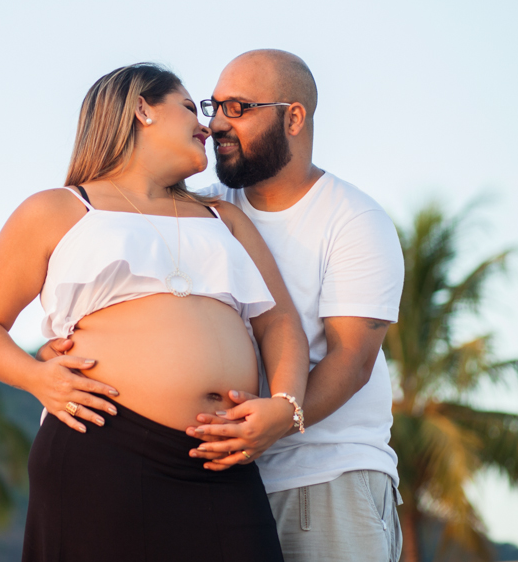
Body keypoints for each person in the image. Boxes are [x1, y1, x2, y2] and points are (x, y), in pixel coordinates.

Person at [47, 51, 406, 561]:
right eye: (213, 107)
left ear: (294, 117)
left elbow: (352, 360)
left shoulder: (353, 219)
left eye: (237, 108)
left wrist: (282, 419)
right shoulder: (205, 209)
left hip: (322, 473)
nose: (215, 124)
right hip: (217, 475)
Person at [0, 63, 309, 562]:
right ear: (142, 108)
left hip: (221, 462)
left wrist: (286, 406)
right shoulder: (58, 209)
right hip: (103, 448)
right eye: (189, 107)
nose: (206, 125)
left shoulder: (223, 216)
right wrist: (37, 378)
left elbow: (280, 323)